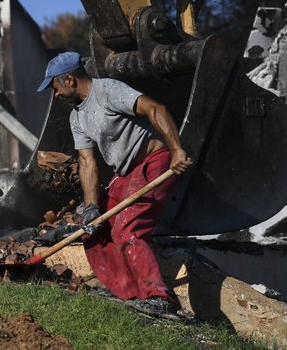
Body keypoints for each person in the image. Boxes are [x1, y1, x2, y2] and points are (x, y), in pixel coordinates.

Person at [37, 51, 192, 317]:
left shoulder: (108, 90)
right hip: (125, 173)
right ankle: (127, 292)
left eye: (56, 87)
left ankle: (159, 297)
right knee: (94, 229)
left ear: (70, 79)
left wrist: (176, 150)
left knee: (128, 228)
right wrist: (91, 207)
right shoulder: (77, 117)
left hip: (153, 161)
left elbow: (156, 109)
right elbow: (87, 163)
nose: (56, 94)